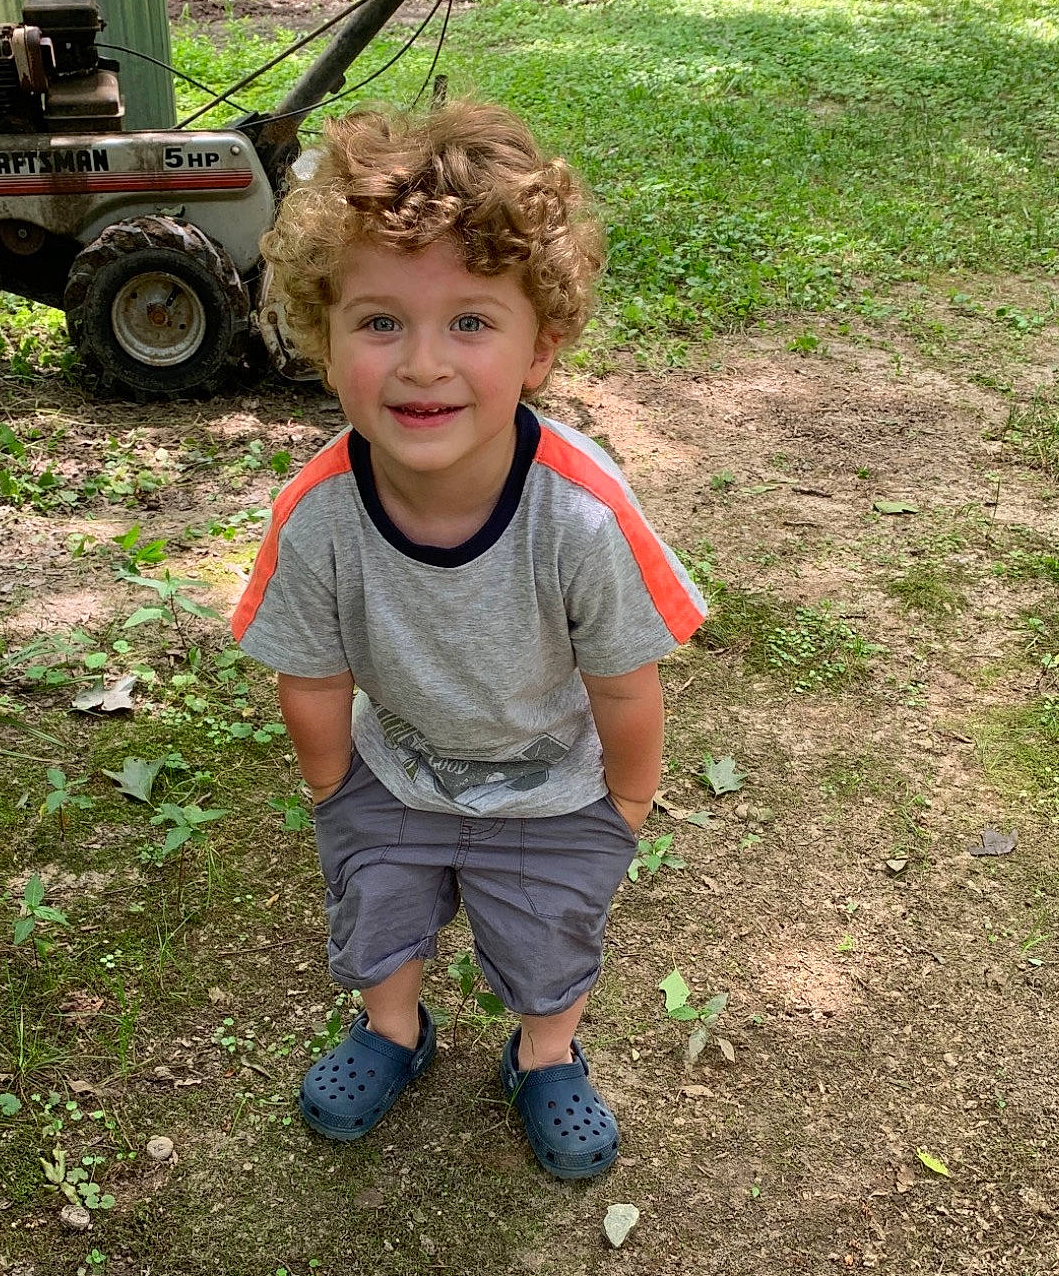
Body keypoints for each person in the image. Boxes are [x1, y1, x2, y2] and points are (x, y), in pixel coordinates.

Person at [231, 100, 705, 1179]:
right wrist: (334, 791)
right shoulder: (316, 513)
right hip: (392, 773)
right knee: (377, 915)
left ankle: (544, 1052)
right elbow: (308, 668)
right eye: (382, 321)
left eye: (471, 323)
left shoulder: (581, 514)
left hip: (553, 789)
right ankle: (392, 1029)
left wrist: (624, 805)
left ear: (543, 345)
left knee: (552, 936)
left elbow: (625, 682)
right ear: (326, 336)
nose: (423, 364)